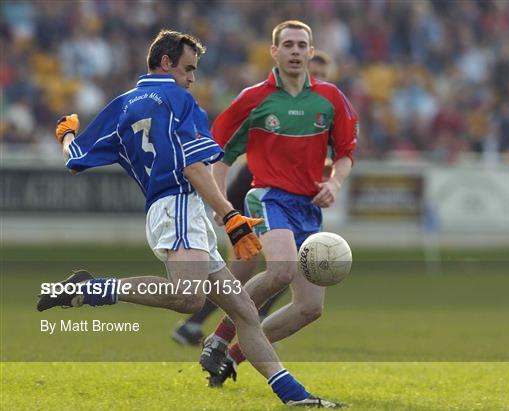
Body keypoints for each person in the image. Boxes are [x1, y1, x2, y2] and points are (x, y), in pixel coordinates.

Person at [36, 29, 341, 408]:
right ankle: (89, 288)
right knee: (188, 298)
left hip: (164, 209)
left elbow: (74, 160)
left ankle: (295, 396)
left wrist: (65, 133)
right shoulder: (179, 99)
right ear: (166, 64)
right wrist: (230, 215)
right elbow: (195, 167)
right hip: (179, 204)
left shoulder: (123, 104)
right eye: (188, 69)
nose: (192, 78)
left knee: (244, 311)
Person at [199, 21, 358, 387]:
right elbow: (218, 154)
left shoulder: (331, 98)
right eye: (288, 45)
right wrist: (221, 204)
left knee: (309, 308)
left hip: (308, 208)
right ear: (275, 52)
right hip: (268, 196)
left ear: (310, 50)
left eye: (302, 45)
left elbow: (347, 152)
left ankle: (232, 356)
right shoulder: (254, 99)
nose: (296, 51)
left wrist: (334, 182)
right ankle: (219, 337)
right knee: (281, 271)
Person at [172, 49, 335, 346]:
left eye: (325, 76)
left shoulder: (322, 111)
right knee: (251, 272)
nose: (319, 81)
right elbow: (229, 152)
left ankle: (215, 327)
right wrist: (224, 205)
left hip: (283, 203)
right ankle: (205, 325)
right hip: (254, 195)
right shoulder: (273, 105)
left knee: (277, 274)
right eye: (317, 74)